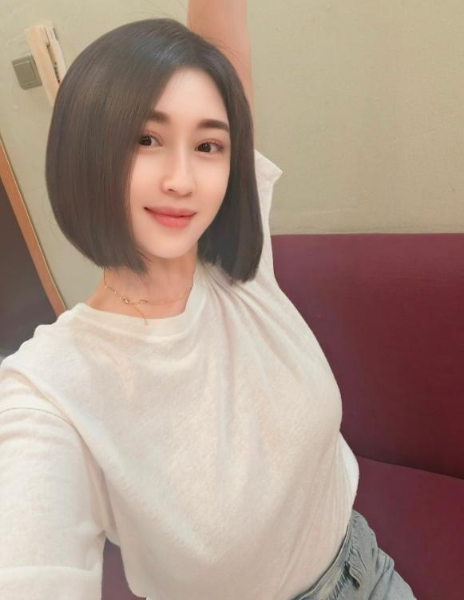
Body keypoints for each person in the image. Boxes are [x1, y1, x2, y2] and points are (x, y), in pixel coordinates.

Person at [0, 2, 417, 599]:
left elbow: (223, 35)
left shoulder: (238, 267)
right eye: (146, 138)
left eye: (208, 146)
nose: (182, 180)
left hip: (367, 568)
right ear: (85, 150)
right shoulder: (47, 392)